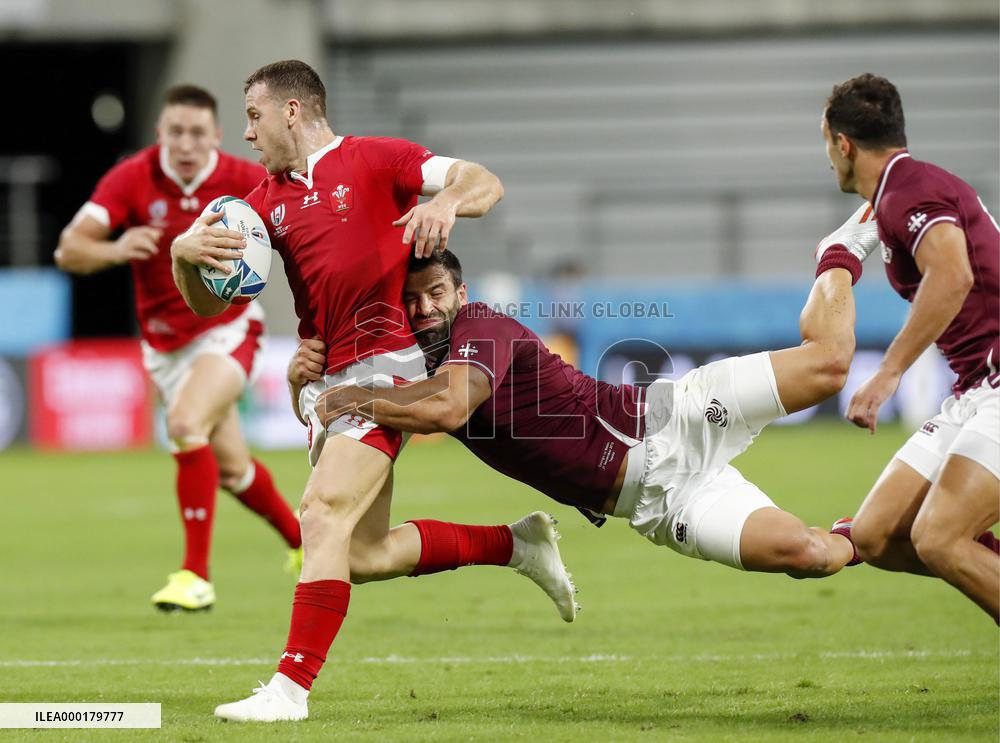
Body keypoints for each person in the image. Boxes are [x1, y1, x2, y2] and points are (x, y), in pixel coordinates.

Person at [167, 60, 540, 723]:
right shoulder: (263, 205)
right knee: (361, 553)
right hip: (329, 381)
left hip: (389, 370)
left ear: (290, 111)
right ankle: (516, 544)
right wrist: (183, 257)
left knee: (321, 512)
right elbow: (205, 305)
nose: (246, 134)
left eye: (252, 116)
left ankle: (289, 689)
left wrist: (447, 201)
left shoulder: (376, 159)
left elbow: (484, 180)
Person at [309, 204, 877, 617]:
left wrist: (351, 397)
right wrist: (311, 380)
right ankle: (869, 535)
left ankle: (838, 253)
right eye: (410, 301)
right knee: (808, 555)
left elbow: (451, 408)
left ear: (461, 293)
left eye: (435, 292)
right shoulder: (413, 372)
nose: (424, 307)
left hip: (674, 419)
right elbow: (365, 415)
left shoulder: (481, 325)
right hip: (659, 503)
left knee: (827, 365)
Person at [55, 84, 302, 613]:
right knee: (232, 468)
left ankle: (195, 575)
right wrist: (114, 247)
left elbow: (302, 228)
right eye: (176, 132)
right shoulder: (131, 179)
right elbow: (69, 250)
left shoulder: (243, 179)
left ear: (214, 135)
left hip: (227, 331)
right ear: (159, 134)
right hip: (163, 348)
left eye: (197, 132)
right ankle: (305, 543)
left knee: (186, 424)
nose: (186, 142)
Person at [821, 73, 999, 622]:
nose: (827, 157)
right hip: (975, 389)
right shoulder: (898, 192)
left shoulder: (910, 191)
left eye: (826, 143)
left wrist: (888, 372)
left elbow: (952, 276)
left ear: (843, 143)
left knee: (939, 539)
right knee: (875, 536)